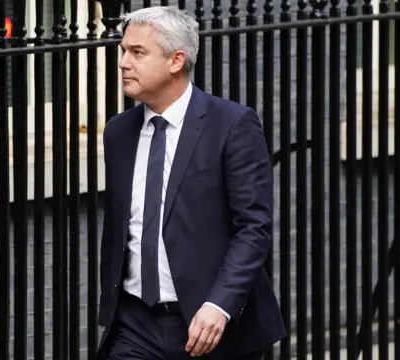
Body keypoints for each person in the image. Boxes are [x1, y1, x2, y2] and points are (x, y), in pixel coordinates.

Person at [96, 6, 286, 360]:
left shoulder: (231, 125)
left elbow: (253, 227)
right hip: (134, 324)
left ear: (176, 61)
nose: (123, 62)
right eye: (123, 50)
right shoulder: (119, 132)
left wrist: (221, 304)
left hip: (209, 325)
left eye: (137, 52)